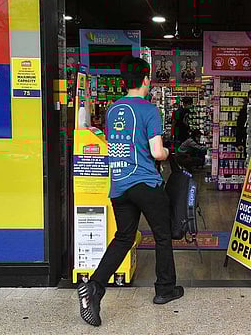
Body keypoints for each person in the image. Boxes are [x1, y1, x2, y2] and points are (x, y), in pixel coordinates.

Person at [77, 57, 183, 327]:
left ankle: (95, 287)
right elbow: (157, 153)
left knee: (124, 237)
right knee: (162, 234)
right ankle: (164, 290)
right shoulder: (148, 110)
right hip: (146, 183)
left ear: (124, 81)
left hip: (120, 185)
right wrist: (170, 153)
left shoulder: (113, 110)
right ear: (146, 80)